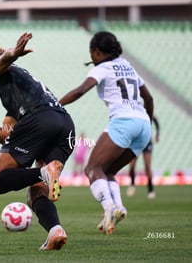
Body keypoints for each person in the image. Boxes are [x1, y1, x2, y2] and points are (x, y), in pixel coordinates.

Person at [0, 32, 75, 250]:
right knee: (36, 190)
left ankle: (45, 173)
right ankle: (55, 230)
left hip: (39, 119)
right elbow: (4, 136)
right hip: (64, 125)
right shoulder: (15, 97)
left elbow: (1, 62)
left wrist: (13, 53)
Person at [59, 31, 154, 235]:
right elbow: (149, 98)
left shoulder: (102, 68)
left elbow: (80, 91)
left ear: (98, 51)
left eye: (92, 53)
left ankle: (110, 207)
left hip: (123, 122)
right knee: (108, 170)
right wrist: (148, 123)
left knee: (92, 169)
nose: (92, 58)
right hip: (144, 125)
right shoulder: (128, 66)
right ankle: (117, 208)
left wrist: (55, 104)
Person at [127, 116, 160, 199]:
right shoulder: (135, 114)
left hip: (147, 142)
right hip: (135, 142)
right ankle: (132, 184)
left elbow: (155, 121)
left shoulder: (147, 113)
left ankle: (150, 188)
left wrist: (157, 134)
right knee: (132, 166)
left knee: (147, 166)